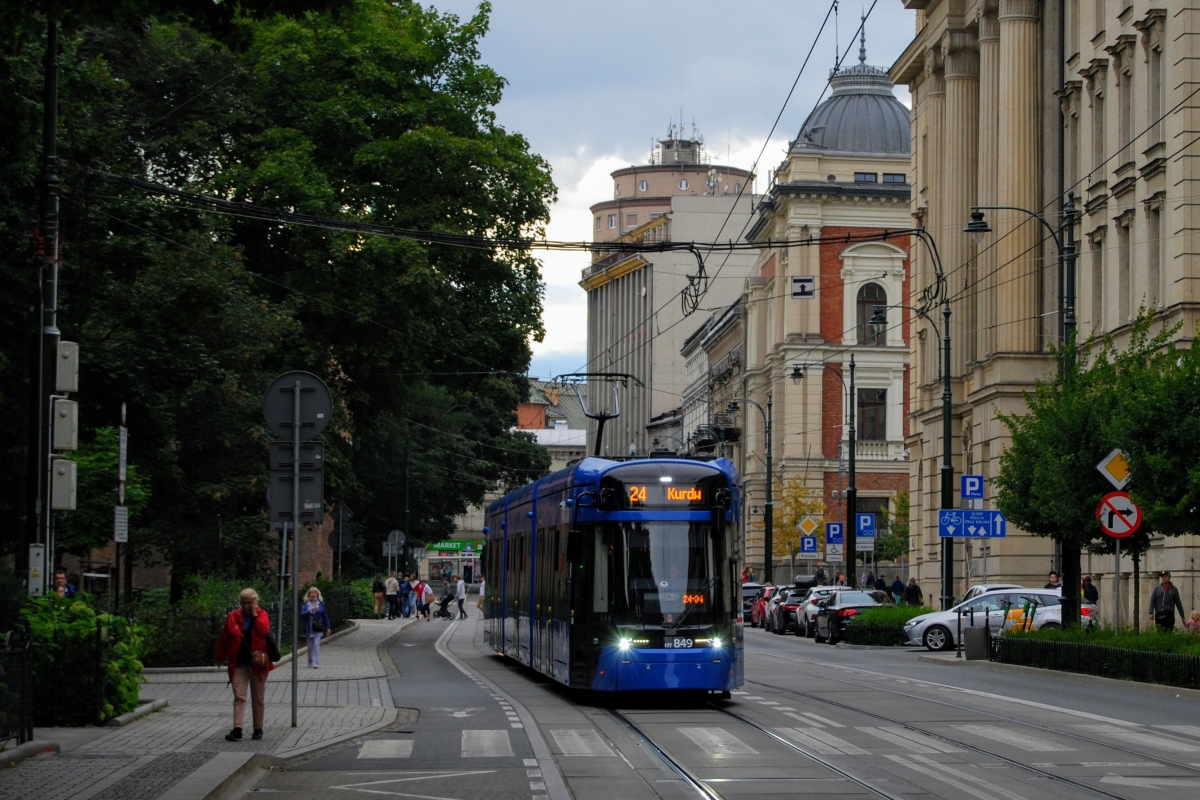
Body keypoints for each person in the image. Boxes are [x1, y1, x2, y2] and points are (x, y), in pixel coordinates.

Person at [215, 588, 273, 741]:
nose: (246, 606)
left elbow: (263, 631)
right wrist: (220, 656)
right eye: (243, 602)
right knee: (239, 696)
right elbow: (226, 638)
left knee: (258, 697)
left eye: (249, 602)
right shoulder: (233, 617)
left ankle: (258, 728)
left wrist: (255, 617)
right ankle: (237, 728)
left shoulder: (262, 615)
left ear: (255, 603)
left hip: (258, 664)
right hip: (239, 663)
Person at [300, 587, 332, 668]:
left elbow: (325, 616)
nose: (313, 594)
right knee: (310, 646)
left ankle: (316, 662)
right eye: (312, 593)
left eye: (315, 593)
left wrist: (328, 627)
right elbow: (302, 614)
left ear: (317, 594)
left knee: (316, 644)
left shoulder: (321, 604)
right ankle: (310, 661)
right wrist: (311, 611)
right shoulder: (305, 604)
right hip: (309, 627)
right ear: (309, 594)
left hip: (318, 627)